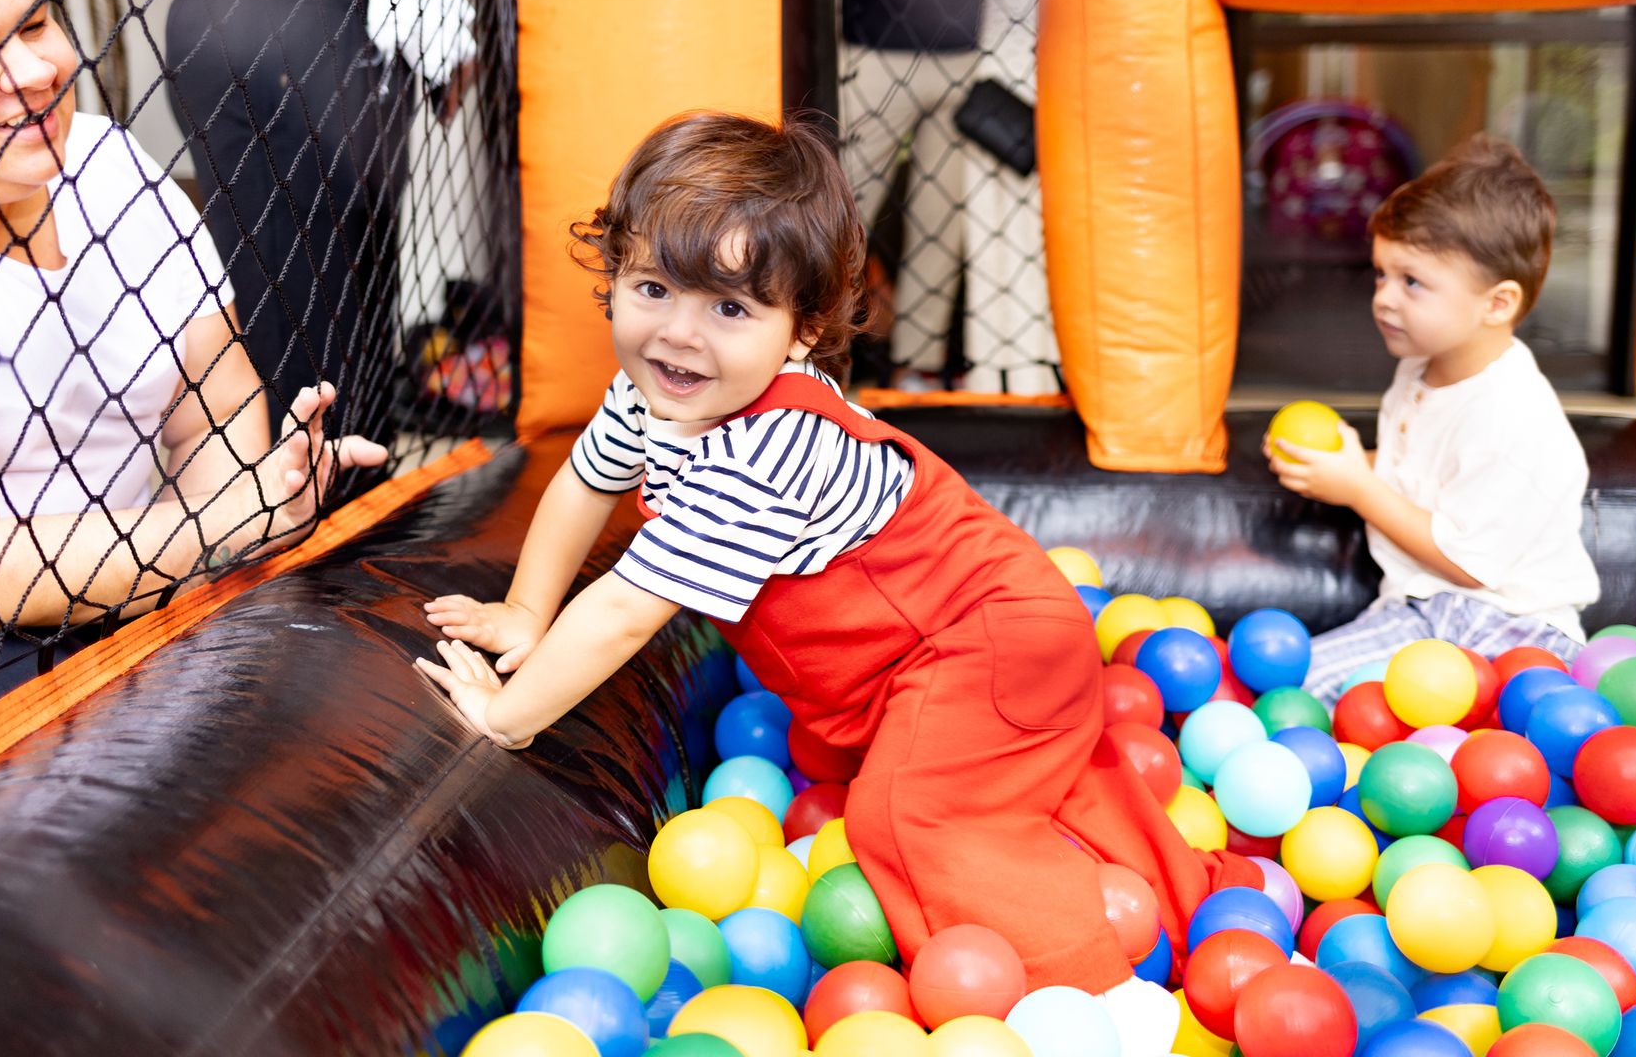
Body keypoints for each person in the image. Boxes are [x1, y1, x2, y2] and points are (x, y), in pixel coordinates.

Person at [413, 112, 1262, 1046]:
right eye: (652, 288)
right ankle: (1201, 903)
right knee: (1021, 776)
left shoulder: (766, 444)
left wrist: (508, 715)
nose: (679, 337)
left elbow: (623, 613)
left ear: (801, 330)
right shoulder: (654, 393)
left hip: (987, 641)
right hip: (960, 645)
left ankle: (1094, 1004)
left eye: (731, 309)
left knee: (909, 815)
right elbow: (583, 483)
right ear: (613, 276)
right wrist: (528, 613)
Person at [0, 0, 385, 757]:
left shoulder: (107, 164)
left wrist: (242, 520)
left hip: (141, 564)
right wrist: (208, 533)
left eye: (34, 23)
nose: (35, 71)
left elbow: (212, 399)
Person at [78, 0, 474, 443]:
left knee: (356, 331)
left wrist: (426, 2)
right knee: (305, 343)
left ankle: (345, 531)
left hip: (354, 7)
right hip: (260, 12)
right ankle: (309, 538)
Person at [1266, 136, 1600, 702]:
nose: (1383, 299)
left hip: (1506, 626)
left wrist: (1356, 488)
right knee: (1285, 691)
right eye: (1380, 274)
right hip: (1428, 613)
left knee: (1299, 703)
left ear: (1497, 304)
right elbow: (1427, 475)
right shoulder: (1421, 368)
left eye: (1411, 281)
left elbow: (1469, 564)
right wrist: (1343, 467)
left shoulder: (1510, 414)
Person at [846, 0, 1088, 393]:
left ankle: (935, 369)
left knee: (958, 224)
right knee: (840, 215)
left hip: (983, 56)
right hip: (884, 52)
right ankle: (819, 359)